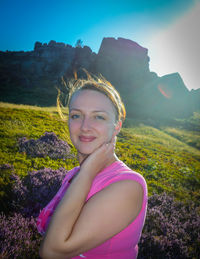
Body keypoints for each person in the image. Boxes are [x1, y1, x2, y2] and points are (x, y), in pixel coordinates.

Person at [37, 72, 148, 259]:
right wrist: (85, 172)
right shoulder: (73, 175)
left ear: (117, 126)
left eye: (99, 117)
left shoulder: (128, 185)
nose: (85, 126)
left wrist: (87, 172)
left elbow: (52, 252)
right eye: (76, 115)